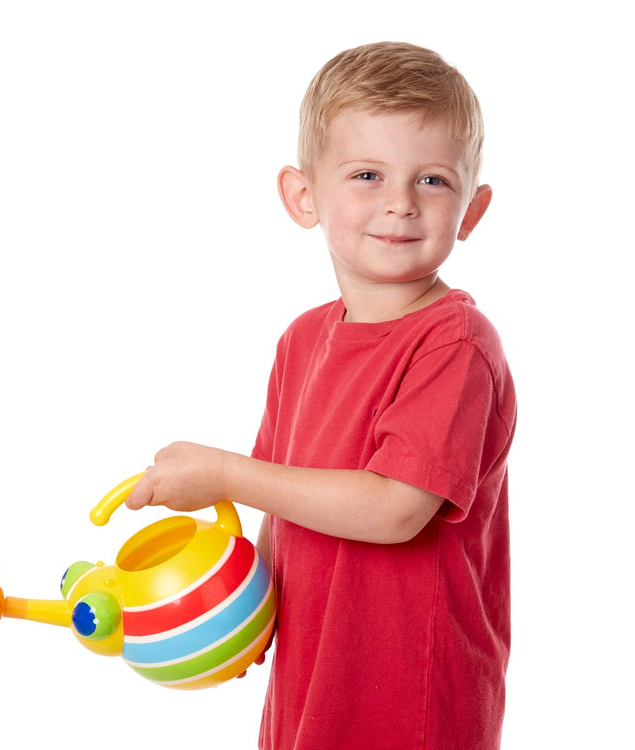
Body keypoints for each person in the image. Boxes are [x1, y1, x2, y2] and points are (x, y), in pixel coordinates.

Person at [126, 41, 516, 750]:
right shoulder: (301, 342)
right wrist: (248, 612)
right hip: (315, 680)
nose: (400, 202)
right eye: (368, 174)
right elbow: (285, 498)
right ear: (303, 197)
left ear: (472, 208)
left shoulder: (454, 344)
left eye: (431, 180)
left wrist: (222, 474)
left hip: (412, 699)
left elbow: (397, 508)